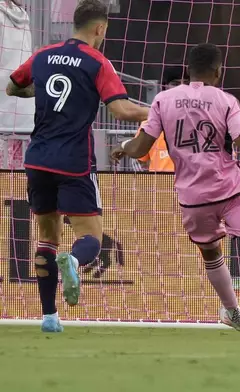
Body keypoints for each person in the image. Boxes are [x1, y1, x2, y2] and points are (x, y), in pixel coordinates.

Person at [110, 43, 240, 333]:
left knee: (211, 254)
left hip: (193, 197)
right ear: (218, 71)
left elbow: (140, 148)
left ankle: (234, 312)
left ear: (188, 70)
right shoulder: (225, 100)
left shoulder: (163, 100)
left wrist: (124, 147)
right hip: (231, 189)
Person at [6, 0, 149, 333]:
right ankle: (74, 260)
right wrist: (159, 108)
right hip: (74, 161)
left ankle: (49, 317)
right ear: (100, 28)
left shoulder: (43, 55)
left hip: (38, 158)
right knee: (91, 238)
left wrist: (37, 91)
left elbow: (14, 86)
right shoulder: (98, 62)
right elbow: (123, 111)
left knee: (46, 237)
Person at [130, 67, 188, 172]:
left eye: (186, 84)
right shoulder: (148, 124)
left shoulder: (205, 121)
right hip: (160, 186)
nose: (180, 89)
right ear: (165, 87)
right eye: (175, 84)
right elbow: (141, 161)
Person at [0, 0, 34, 169]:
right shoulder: (24, 18)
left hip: (4, 120)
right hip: (25, 118)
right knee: (19, 184)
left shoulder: (22, 16)